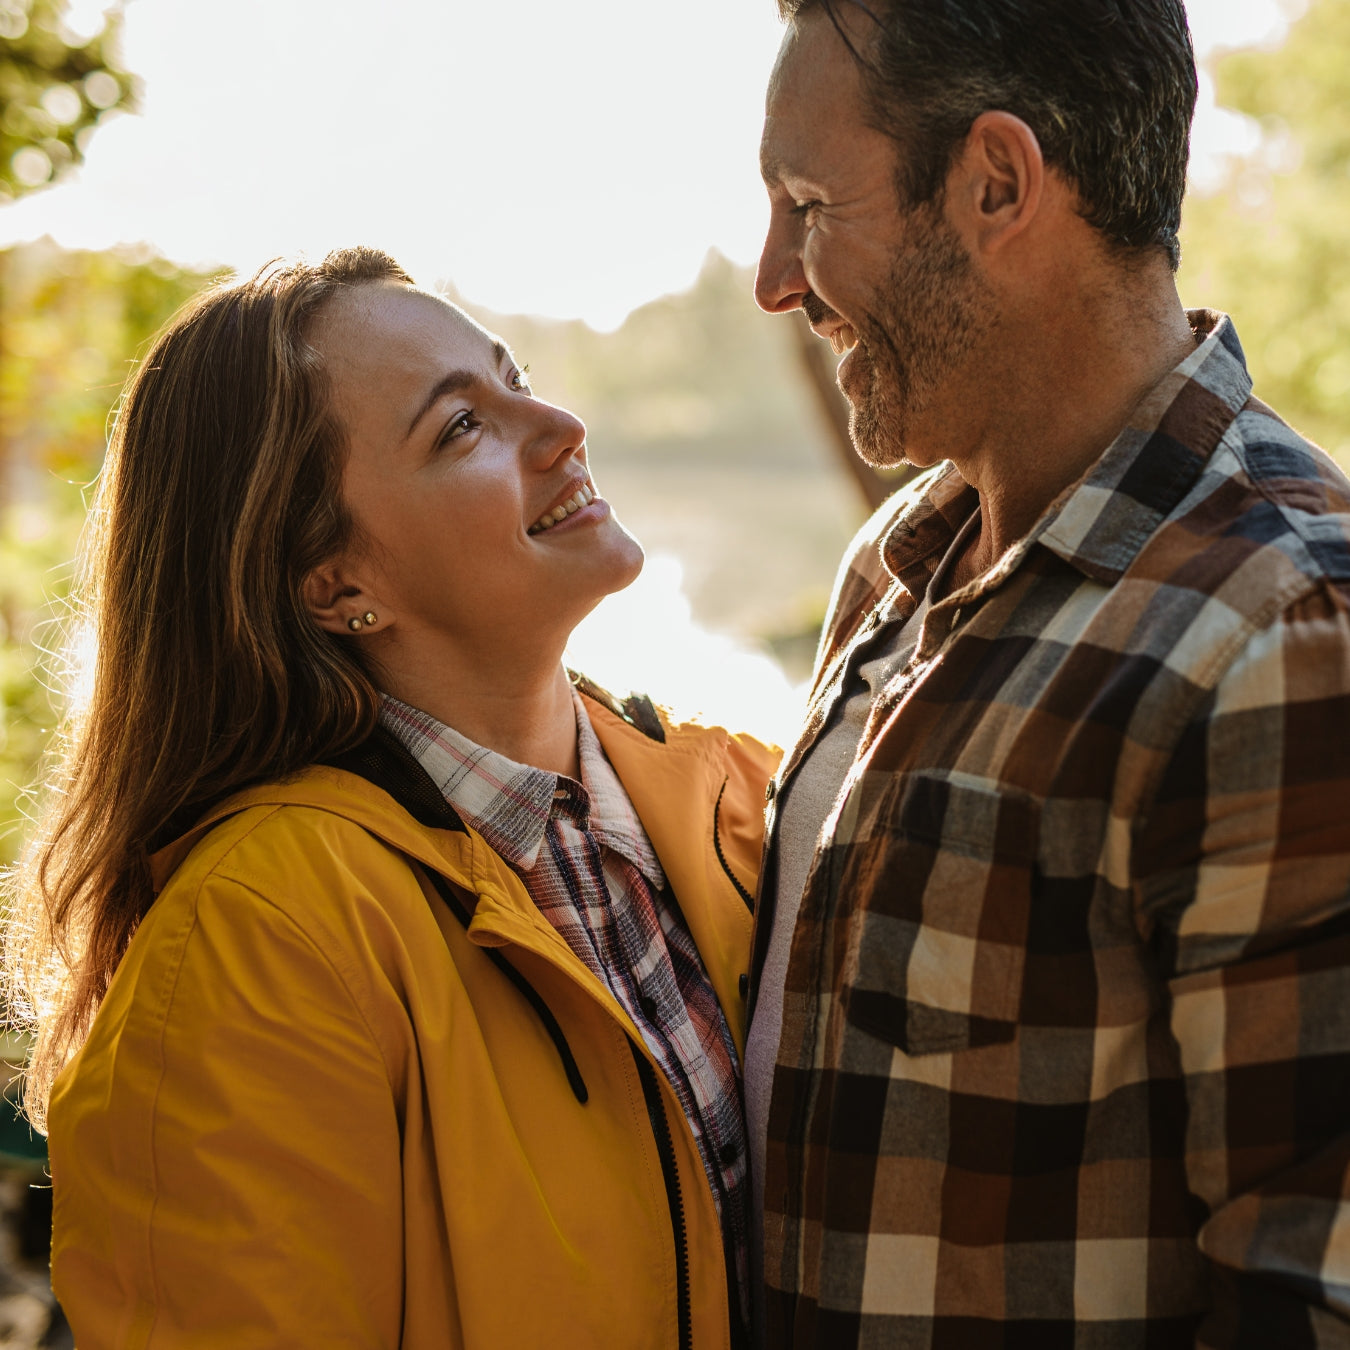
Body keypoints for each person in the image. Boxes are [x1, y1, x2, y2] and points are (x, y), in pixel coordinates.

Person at [2, 247, 778, 1349]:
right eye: (461, 427)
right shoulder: (254, 943)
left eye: (515, 379)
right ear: (336, 583)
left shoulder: (739, 802)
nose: (559, 426)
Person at [745, 1, 1350, 1346]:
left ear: (996, 185)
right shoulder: (892, 571)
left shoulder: (1287, 635)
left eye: (803, 201)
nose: (772, 278)